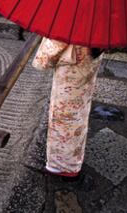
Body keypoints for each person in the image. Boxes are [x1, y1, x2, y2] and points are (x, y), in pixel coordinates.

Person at [32, 37, 103, 177]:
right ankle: (74, 160)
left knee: (63, 118)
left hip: (71, 70)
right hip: (89, 60)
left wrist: (42, 59)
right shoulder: (101, 20)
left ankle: (60, 166)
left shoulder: (75, 19)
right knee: (79, 114)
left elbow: (54, 46)